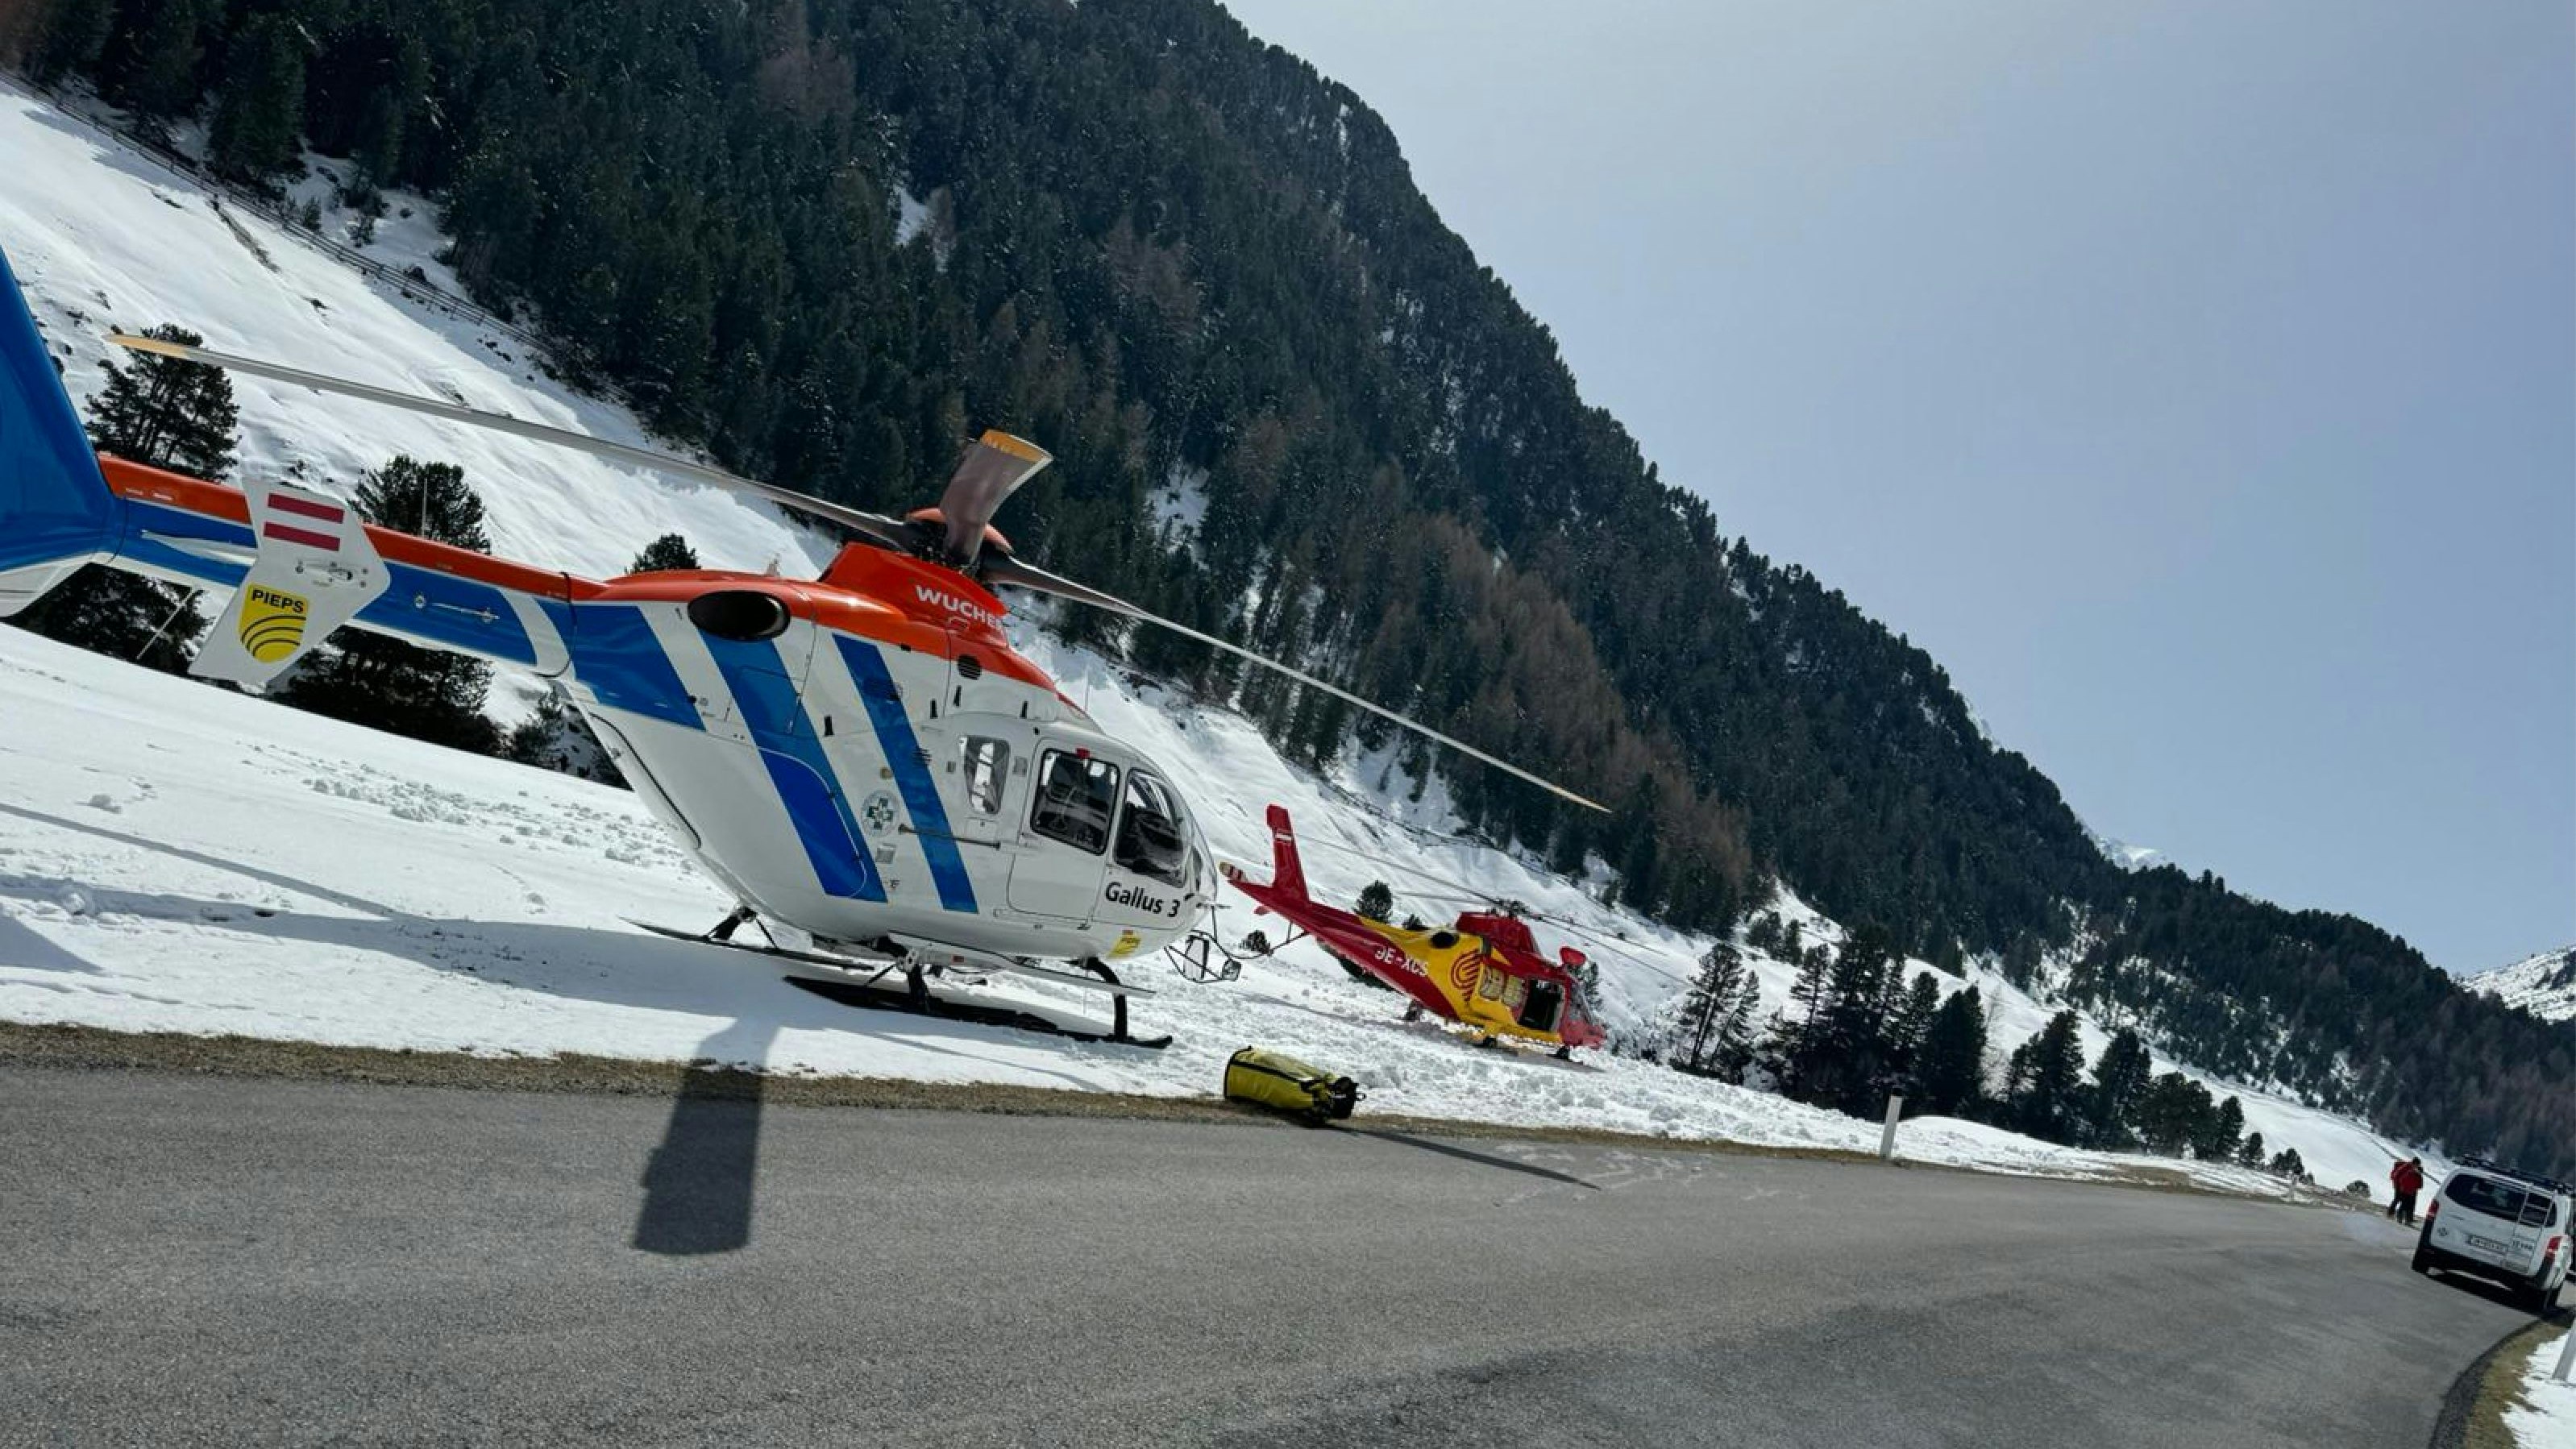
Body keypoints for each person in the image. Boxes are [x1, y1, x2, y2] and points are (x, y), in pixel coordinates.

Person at [2389, 1156, 2425, 1227]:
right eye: (2417, 1165)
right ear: (2414, 1163)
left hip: (2408, 1189)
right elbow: (2398, 1176)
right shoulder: (2407, 1167)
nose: (2418, 1166)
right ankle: (2392, 1214)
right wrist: (2399, 1186)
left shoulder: (2412, 1169)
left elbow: (2419, 1185)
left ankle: (2407, 1218)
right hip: (2401, 1187)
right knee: (2398, 1200)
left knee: (2407, 1203)